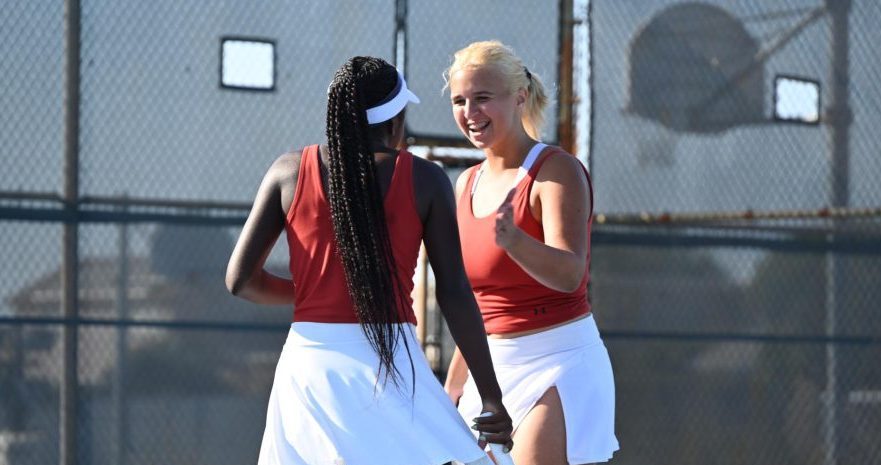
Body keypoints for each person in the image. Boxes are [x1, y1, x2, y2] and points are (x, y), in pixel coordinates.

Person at [226, 56, 513, 465]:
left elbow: (240, 280)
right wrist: (490, 396)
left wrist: (312, 296)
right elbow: (453, 290)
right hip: (391, 364)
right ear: (395, 122)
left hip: (307, 366)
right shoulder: (426, 179)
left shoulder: (287, 171)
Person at [442, 41, 619, 465]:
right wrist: (453, 386)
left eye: (483, 98)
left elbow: (570, 273)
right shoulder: (465, 184)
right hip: (492, 370)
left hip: (559, 363)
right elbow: (477, 305)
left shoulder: (556, 170)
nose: (470, 112)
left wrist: (516, 242)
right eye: (460, 100)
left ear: (519, 96)